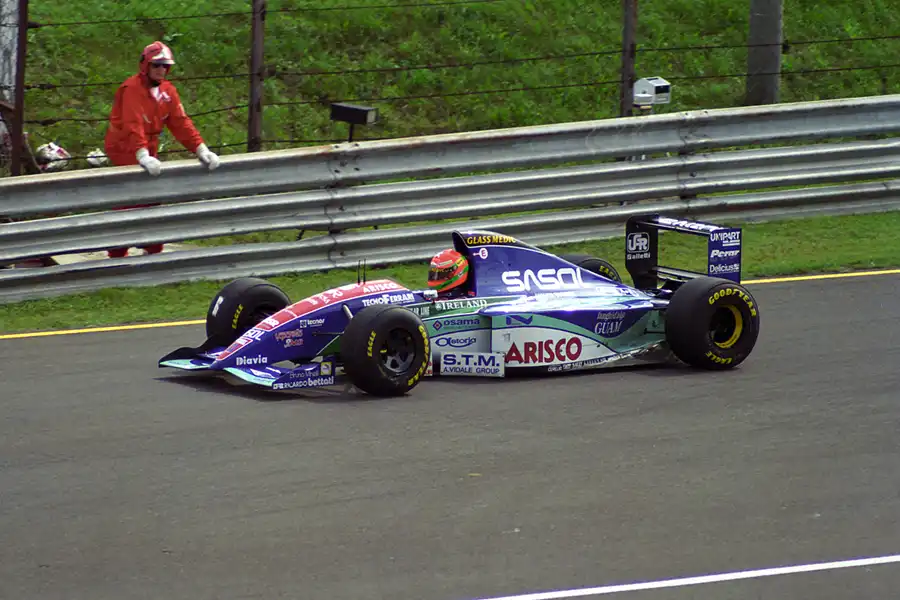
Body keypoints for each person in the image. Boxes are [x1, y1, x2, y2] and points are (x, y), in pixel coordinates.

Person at [103, 40, 220, 258]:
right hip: (124, 147)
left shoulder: (168, 91)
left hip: (147, 147)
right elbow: (132, 123)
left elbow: (180, 122)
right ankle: (117, 251)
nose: (161, 70)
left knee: (153, 198)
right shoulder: (131, 89)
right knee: (128, 200)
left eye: (165, 66)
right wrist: (141, 154)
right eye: (156, 65)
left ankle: (152, 248)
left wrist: (200, 148)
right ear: (145, 65)